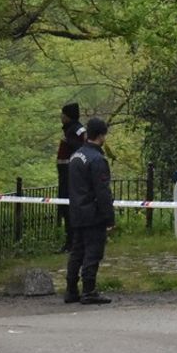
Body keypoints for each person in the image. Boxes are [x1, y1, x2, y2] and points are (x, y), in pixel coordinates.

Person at [65, 117, 114, 305]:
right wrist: (109, 217)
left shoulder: (76, 156)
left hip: (76, 211)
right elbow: (102, 191)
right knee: (93, 252)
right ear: (101, 135)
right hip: (93, 213)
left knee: (76, 251)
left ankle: (71, 289)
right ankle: (89, 290)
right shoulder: (97, 160)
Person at [56, 103, 86, 253]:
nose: (61, 117)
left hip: (70, 175)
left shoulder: (76, 131)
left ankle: (73, 242)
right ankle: (70, 240)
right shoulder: (70, 130)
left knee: (70, 208)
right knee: (65, 207)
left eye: (63, 115)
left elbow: (81, 147)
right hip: (65, 174)